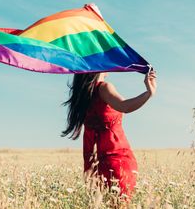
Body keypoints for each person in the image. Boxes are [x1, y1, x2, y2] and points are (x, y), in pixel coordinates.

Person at [61, 68, 157, 199]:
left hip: (93, 164)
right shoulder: (104, 88)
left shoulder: (83, 94)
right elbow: (124, 106)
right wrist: (149, 93)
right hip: (116, 159)